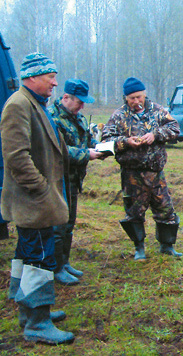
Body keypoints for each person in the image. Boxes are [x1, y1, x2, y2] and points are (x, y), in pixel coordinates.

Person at [1, 52, 75, 344]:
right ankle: (37, 322)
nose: (55, 83)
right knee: (39, 259)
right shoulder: (18, 105)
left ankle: (28, 309)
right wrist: (43, 189)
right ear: (32, 77)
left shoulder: (34, 104)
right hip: (33, 199)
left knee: (27, 253)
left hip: (36, 199)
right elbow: (17, 158)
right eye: (50, 77)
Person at [102, 77, 182, 260]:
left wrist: (156, 134)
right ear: (126, 98)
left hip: (155, 173)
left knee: (165, 210)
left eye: (139, 97)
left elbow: (175, 128)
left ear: (145, 94)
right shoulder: (118, 116)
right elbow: (106, 141)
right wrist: (125, 142)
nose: (136, 102)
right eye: (131, 98)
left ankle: (167, 246)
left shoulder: (158, 111)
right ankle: (139, 248)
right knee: (134, 213)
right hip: (132, 175)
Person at [48, 78, 103, 285]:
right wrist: (86, 155)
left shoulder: (77, 118)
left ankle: (65, 261)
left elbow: (87, 140)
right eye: (79, 102)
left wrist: (100, 147)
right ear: (65, 98)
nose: (82, 106)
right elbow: (58, 151)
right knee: (58, 226)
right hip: (57, 179)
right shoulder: (53, 118)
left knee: (69, 223)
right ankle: (55, 268)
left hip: (73, 179)